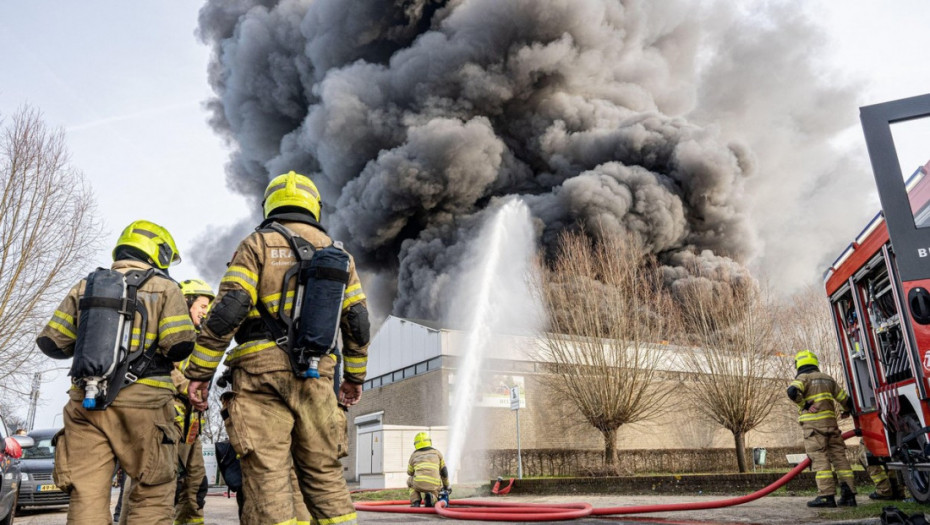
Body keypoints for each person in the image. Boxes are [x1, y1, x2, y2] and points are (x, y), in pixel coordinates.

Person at [185, 171, 371, 524]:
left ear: (270, 204)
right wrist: (354, 379)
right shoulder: (338, 254)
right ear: (314, 206)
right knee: (325, 476)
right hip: (318, 376)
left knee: (268, 478)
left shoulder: (256, 244)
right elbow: (358, 321)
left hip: (260, 374)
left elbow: (229, 311)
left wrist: (199, 373)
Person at [36, 220, 196, 524]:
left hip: (86, 404)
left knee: (86, 497)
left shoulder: (86, 285)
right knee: (151, 493)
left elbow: (51, 342)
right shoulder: (165, 287)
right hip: (146, 408)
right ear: (159, 252)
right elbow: (180, 345)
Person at [787, 349, 857, 508]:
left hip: (813, 429)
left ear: (799, 364)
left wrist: (804, 404)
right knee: (840, 459)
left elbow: (791, 391)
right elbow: (845, 399)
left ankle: (826, 496)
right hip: (832, 426)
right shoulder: (828, 379)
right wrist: (846, 411)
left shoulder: (803, 378)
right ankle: (849, 496)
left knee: (820, 460)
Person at [173, 279, 215, 525]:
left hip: (191, 427)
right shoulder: (172, 334)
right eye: (201, 305)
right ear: (186, 302)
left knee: (197, 487)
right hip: (170, 421)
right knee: (166, 487)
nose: (205, 311)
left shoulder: (199, 339)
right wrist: (186, 387)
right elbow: (164, 370)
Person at [407, 432, 450, 507]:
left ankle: (416, 501)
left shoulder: (413, 455)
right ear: (429, 441)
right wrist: (446, 486)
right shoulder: (437, 453)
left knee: (409, 481)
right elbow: (444, 471)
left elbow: (410, 472)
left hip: (419, 483)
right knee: (437, 490)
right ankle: (432, 498)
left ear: (415, 444)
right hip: (434, 484)